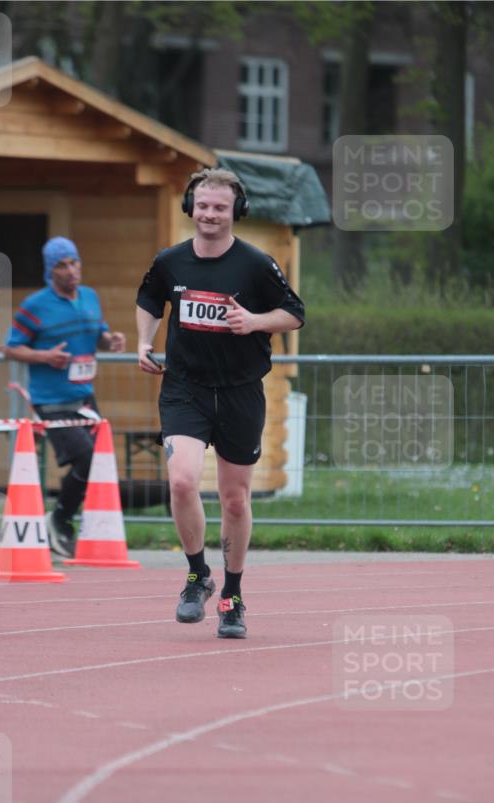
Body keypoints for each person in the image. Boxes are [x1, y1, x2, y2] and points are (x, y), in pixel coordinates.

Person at [136, 167, 304, 639]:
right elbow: (149, 299)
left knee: (234, 500)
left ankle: (232, 595)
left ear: (236, 211)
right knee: (182, 481)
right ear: (191, 207)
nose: (209, 214)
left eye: (220, 207)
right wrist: (144, 342)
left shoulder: (255, 264)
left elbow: (294, 314)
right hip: (185, 387)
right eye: (203, 205)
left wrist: (254, 321)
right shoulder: (170, 261)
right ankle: (197, 576)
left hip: (239, 391)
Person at [3, 236, 126, 557]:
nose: (71, 270)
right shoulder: (35, 306)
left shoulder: (90, 297)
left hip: (84, 397)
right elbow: (10, 349)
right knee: (87, 459)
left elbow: (98, 334)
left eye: (74, 262)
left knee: (99, 462)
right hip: (51, 400)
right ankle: (58, 520)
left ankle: (70, 523)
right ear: (50, 270)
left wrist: (110, 340)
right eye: (62, 265)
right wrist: (44, 357)